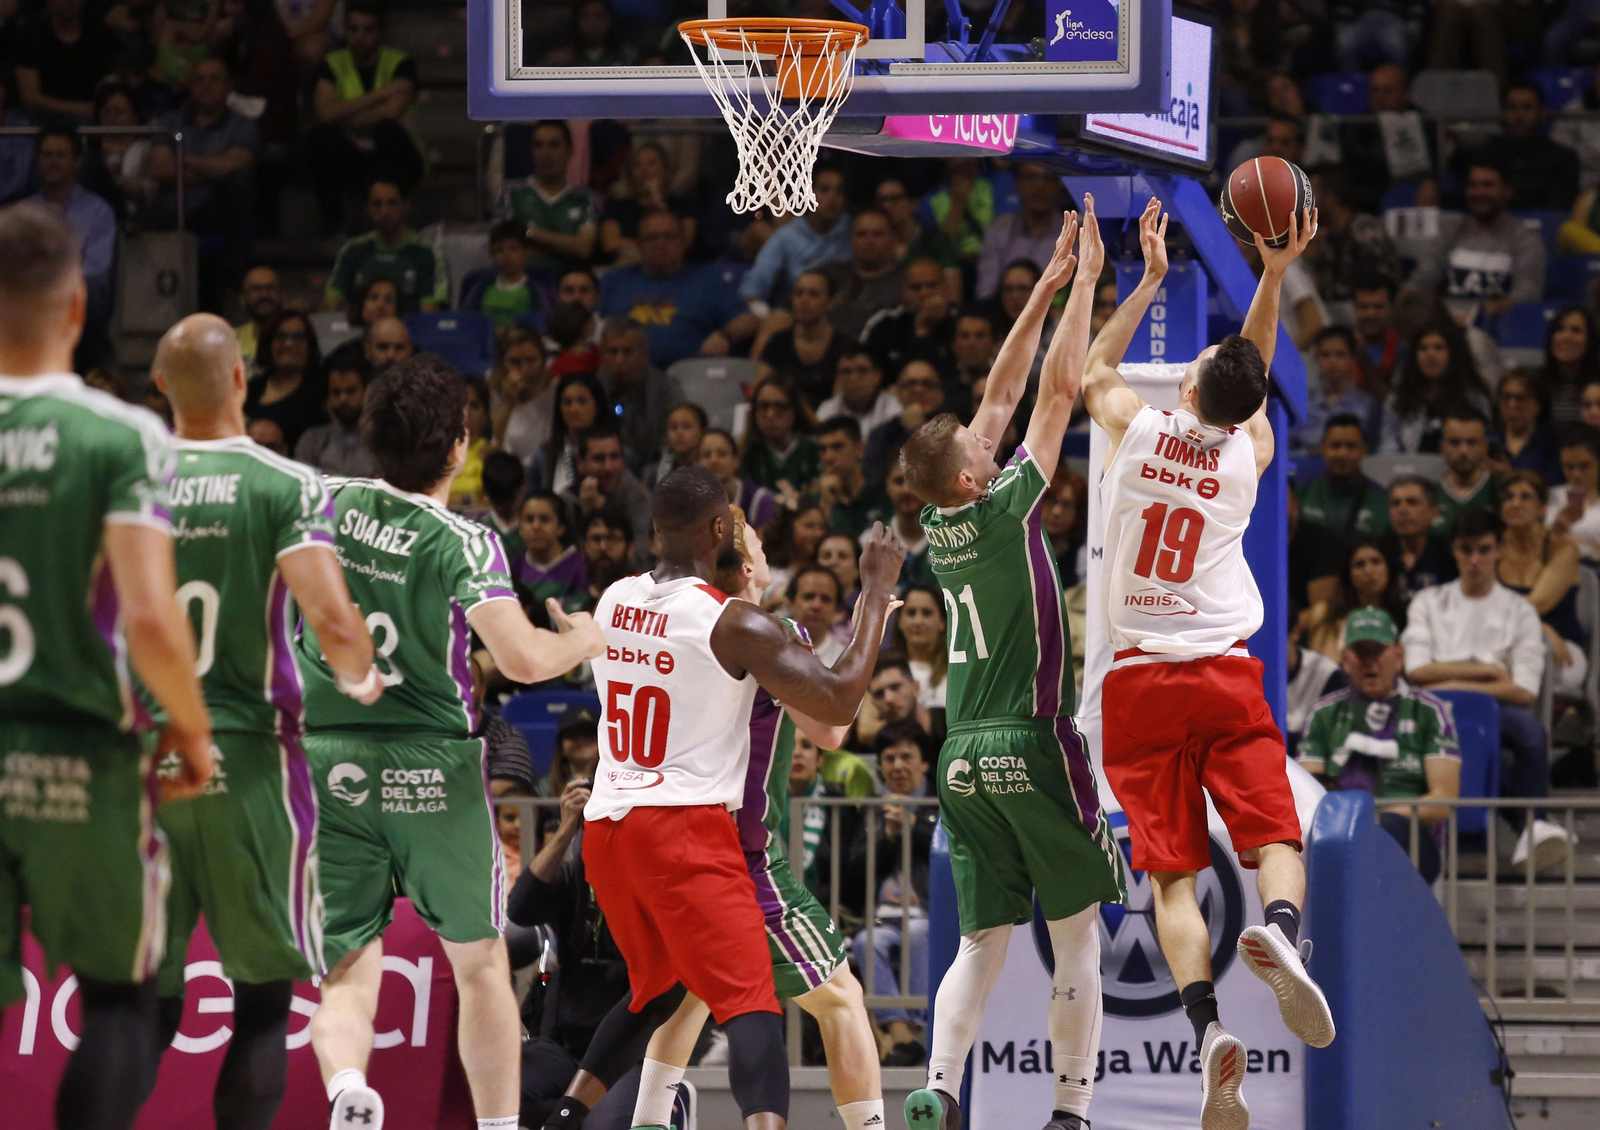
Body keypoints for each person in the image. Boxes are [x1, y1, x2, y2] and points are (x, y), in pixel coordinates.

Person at [300, 354, 607, 1130]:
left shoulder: (321, 502)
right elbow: (523, 661)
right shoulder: (461, 540)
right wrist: (588, 636)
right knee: (478, 967)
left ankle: (347, 1090)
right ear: (459, 448)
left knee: (346, 963)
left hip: (326, 755)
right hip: (430, 765)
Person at [1083, 199, 1335, 1129]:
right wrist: (1273, 271)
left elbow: (1098, 368)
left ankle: (1206, 1031)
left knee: (1172, 882)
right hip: (1222, 673)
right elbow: (1252, 379)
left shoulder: (1140, 433)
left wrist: (1143, 277)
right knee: (1276, 839)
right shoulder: (1245, 458)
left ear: (1185, 391)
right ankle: (1282, 931)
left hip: (1138, 683)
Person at [579, 468, 906, 1130]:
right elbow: (834, 725)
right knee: (838, 995)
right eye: (741, 537)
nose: (745, 546)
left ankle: (631, 1121)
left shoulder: (642, 605)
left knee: (683, 995)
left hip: (636, 823)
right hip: (734, 851)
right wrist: (873, 606)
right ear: (733, 554)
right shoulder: (756, 631)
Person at [899, 201, 1124, 1130]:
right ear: (970, 478)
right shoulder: (1000, 510)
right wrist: (1086, 290)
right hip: (1031, 738)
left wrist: (1039, 292)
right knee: (1078, 939)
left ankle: (940, 1088)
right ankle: (1070, 1112)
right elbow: (1057, 395)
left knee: (981, 942)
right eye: (983, 454)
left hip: (961, 755)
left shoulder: (939, 524)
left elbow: (999, 398)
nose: (996, 445)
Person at [0, 202, 211, 1130]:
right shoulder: (121, 436)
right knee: (120, 1000)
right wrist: (190, 731)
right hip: (81, 751)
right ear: (78, 309)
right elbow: (153, 621)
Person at [149, 313, 381, 1130]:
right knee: (261, 999)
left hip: (148, 760)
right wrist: (363, 678)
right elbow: (335, 621)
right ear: (242, 382)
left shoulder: (130, 483)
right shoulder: (287, 483)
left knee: (142, 999)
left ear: (160, 389)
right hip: (247, 761)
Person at [1402, 509, 1574, 870]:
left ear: (1499, 551)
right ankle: (1529, 826)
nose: (1475, 559)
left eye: (1483, 549)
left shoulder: (1519, 610)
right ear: (1455, 551)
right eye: (1467, 550)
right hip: (1432, 707)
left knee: (1528, 730)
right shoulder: (1428, 601)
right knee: (1466, 731)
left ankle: (1534, 822)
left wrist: (1450, 679)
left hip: (1493, 709)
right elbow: (1416, 670)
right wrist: (1489, 673)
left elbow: (1525, 691)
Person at [1298, 610, 1460, 884]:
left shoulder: (1430, 711)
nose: (1369, 662)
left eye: (1378, 651)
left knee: (1389, 828)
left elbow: (1443, 801)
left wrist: (1371, 821)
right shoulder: (1322, 714)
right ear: (1346, 660)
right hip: (1340, 836)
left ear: (1398, 656)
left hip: (1413, 840)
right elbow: (1307, 791)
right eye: (1361, 653)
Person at [849, 720, 938, 1065]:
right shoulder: (871, 808)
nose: (898, 766)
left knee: (918, 933)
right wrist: (886, 834)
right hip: (881, 916)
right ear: (879, 766)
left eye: (906, 756)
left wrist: (914, 827)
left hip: (928, 913)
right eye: (889, 759)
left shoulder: (940, 804)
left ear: (924, 762)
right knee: (866, 941)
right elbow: (853, 871)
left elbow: (950, 856)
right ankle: (901, 1032)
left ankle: (913, 1031)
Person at [304, 0, 424, 233]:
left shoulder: (401, 64)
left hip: (393, 154)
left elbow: (390, 113)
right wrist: (382, 93)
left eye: (368, 30)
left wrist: (343, 114)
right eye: (354, 29)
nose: (360, 37)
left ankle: (391, 223)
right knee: (320, 139)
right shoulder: (332, 63)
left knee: (388, 131)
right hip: (351, 155)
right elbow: (325, 113)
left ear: (380, 32)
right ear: (345, 31)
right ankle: (334, 226)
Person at [148, 57, 258, 303]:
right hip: (174, 208)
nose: (206, 86)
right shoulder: (170, 121)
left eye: (214, 79)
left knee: (239, 181)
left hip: (218, 212)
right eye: (199, 79)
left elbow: (234, 167)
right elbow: (159, 167)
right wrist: (213, 168)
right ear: (190, 85)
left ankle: (234, 280)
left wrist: (183, 159)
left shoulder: (242, 125)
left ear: (228, 86)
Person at [598, 209, 757, 369]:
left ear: (683, 242)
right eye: (651, 238)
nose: (660, 244)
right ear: (638, 244)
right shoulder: (614, 281)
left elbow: (747, 320)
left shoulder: (708, 281)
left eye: (669, 237)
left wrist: (725, 336)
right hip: (620, 373)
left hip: (691, 377)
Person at [1405, 158, 1546, 321]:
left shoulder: (1525, 237)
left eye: (1488, 185)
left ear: (1507, 192)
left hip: (1495, 327)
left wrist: (1475, 315)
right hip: (1443, 327)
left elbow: (1528, 292)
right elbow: (1424, 276)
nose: (1478, 193)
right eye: (1473, 185)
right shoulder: (1450, 228)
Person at [1498, 469, 1589, 699]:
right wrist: (1540, 628)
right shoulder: (1491, 550)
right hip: (1505, 640)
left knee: (1549, 668)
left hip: (1561, 647)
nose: (1515, 504)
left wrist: (1542, 630)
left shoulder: (1562, 549)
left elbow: (1537, 605)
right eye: (1508, 497)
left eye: (1525, 497)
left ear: (1542, 508)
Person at [28, 128, 115, 363]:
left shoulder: (98, 211)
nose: (53, 161)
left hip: (76, 302)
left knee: (90, 293)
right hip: (31, 300)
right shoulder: (25, 212)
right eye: (47, 155)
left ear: (77, 161)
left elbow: (96, 270)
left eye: (60, 155)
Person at [325, 179, 447, 315]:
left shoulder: (427, 253)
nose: (385, 211)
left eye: (392, 203)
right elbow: (331, 306)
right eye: (377, 204)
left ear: (405, 206)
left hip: (410, 333)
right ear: (368, 209)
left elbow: (429, 316)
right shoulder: (352, 250)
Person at [496, 121, 598, 279]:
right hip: (523, 282)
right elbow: (506, 250)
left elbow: (583, 248)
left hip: (567, 286)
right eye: (539, 145)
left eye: (554, 145)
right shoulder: (511, 193)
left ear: (569, 151)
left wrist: (529, 233)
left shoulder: (584, 199)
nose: (545, 153)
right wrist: (566, 245)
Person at [739, 167, 852, 307]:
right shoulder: (786, 236)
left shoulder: (856, 232)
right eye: (824, 189)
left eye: (839, 191)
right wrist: (762, 313)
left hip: (846, 315)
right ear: (808, 194)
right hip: (795, 315)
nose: (832, 197)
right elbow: (754, 287)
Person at [1292, 326, 1400, 458]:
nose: (1333, 361)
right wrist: (1308, 455)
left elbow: (1385, 451)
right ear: (1316, 358)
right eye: (1325, 355)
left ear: (1353, 358)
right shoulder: (1299, 404)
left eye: (1340, 354)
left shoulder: (1371, 406)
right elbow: (1284, 449)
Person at [1387, 319, 1493, 453]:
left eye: (1439, 347)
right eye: (1423, 348)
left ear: (1453, 353)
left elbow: (1483, 445)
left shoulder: (1473, 397)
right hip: (1409, 469)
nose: (1430, 355)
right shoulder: (1400, 394)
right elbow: (1388, 442)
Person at [1300, 535, 1412, 660]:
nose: (1368, 571)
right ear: (1348, 574)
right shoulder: (1325, 613)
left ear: (1389, 568)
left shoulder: (1408, 613)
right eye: (1359, 565)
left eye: (1376, 562)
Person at [1302, 169, 1402, 305]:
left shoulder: (1366, 231)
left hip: (1371, 311)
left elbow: (1382, 282)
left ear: (1330, 197)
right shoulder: (1327, 239)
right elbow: (1324, 289)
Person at [598, 316, 685, 466]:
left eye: (627, 352)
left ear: (644, 354)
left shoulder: (666, 388)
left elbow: (673, 446)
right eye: (612, 352)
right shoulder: (595, 387)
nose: (619, 360)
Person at [14, 0, 118, 122]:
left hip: (93, 121)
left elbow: (113, 87)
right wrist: (83, 109)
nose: (69, 2)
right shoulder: (30, 35)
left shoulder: (100, 36)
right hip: (42, 120)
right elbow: (30, 99)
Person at [563, 425, 653, 564]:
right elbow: (563, 561)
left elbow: (641, 557)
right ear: (581, 464)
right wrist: (587, 515)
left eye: (614, 457)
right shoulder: (567, 500)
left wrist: (602, 509)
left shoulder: (639, 497)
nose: (608, 466)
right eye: (599, 458)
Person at [974, 163, 1065, 299]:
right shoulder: (997, 231)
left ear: (1059, 186)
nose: (1039, 186)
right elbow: (986, 293)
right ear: (1018, 185)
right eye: (1030, 177)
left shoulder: (1075, 234)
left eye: (1048, 178)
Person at [599, 142, 696, 266]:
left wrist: (658, 201)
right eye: (637, 165)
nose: (644, 170)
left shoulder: (684, 205)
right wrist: (653, 249)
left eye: (651, 163)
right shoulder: (617, 206)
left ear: (666, 170)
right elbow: (610, 242)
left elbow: (683, 242)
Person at [818, 210, 908, 343]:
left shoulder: (907, 282)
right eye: (861, 235)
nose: (869, 241)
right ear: (851, 239)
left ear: (894, 239)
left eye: (877, 235)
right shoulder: (826, 275)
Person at [1296, 414, 1391, 540]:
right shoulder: (1302, 494)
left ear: (1364, 450)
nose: (1342, 454)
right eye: (1335, 445)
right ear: (1322, 448)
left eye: (1351, 446)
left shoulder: (1383, 500)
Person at [757, 269, 843, 407]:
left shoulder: (844, 347)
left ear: (830, 302)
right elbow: (760, 392)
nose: (804, 300)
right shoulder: (777, 343)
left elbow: (840, 404)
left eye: (813, 294)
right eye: (799, 293)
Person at [861, 259, 957, 381]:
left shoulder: (961, 321)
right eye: (915, 287)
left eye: (932, 285)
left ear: (945, 288)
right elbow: (866, 375)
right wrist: (922, 328)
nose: (924, 293)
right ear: (904, 292)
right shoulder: (883, 324)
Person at [247, 309, 327, 453]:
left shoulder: (323, 389)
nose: (289, 344)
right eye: (280, 337)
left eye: (298, 337)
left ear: (310, 344)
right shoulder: (251, 389)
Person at [294, 342, 377, 476]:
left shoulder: (384, 439)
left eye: (351, 391)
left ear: (367, 391)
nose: (343, 399)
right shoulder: (312, 440)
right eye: (336, 392)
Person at [741, 373, 821, 501]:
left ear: (795, 410)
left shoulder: (815, 449)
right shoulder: (746, 454)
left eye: (780, 406)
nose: (770, 414)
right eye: (763, 406)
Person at [1380, 475, 1459, 602]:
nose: (1402, 510)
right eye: (1396, 503)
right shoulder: (1379, 553)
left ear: (1434, 512)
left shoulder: (1450, 555)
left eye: (1412, 502)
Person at [864, 361, 947, 481]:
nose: (918, 389)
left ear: (941, 394)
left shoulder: (956, 430)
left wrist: (916, 430)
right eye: (910, 384)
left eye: (928, 384)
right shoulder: (881, 434)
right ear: (897, 392)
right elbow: (873, 478)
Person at [513, 491, 589, 616]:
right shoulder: (512, 567)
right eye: (529, 519)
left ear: (561, 527)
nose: (536, 526)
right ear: (520, 526)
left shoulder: (581, 565)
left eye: (544, 519)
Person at [817, 415, 890, 541]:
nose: (828, 457)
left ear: (860, 449)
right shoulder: (816, 499)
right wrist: (827, 505)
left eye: (837, 447)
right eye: (823, 449)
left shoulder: (883, 492)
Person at [536, 372, 609, 497]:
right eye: (567, 402)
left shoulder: (617, 453)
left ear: (597, 405)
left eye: (582, 401)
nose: (574, 409)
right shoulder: (544, 455)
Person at [460, 220, 539, 328]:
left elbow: (539, 323)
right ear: (491, 254)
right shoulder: (482, 287)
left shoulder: (535, 289)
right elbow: (467, 318)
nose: (507, 256)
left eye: (513, 249)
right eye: (499, 250)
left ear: (527, 252)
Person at [697, 426, 776, 530]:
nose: (714, 460)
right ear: (697, 464)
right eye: (706, 455)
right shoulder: (691, 504)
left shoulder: (759, 500)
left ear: (736, 461)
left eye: (722, 454)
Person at [1492, 369, 1562, 485]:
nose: (1512, 405)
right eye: (1506, 397)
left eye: (1520, 398)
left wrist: (1507, 473)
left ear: (1539, 404)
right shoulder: (1489, 440)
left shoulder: (1552, 444)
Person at [1435, 409, 1499, 536]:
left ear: (1485, 447)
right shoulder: (1428, 495)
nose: (1463, 451)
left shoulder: (1502, 491)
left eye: (1471, 442)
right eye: (1455, 442)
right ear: (1442, 447)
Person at [817, 347, 902, 438]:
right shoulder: (826, 410)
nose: (853, 378)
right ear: (837, 378)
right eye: (846, 372)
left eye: (862, 370)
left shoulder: (894, 409)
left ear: (877, 376)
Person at [1538, 306, 1600, 428]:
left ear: (1590, 340)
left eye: (1576, 330)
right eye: (1559, 329)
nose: (1566, 337)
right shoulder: (1536, 383)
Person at [1547, 425, 1600, 561]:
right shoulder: (1550, 496)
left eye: (1584, 466)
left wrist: (1585, 548)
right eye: (1569, 467)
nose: (1576, 474)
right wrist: (1557, 529)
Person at [893, 584, 949, 709]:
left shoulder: (958, 672)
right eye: (911, 613)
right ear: (899, 622)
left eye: (927, 613)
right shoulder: (883, 669)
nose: (918, 621)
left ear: (942, 622)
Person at [1351, 277, 1405, 398]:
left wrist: (1364, 363)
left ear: (1392, 308)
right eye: (1363, 307)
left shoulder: (1404, 347)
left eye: (1378, 307)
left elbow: (1395, 403)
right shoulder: (1341, 344)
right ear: (1354, 309)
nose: (1371, 314)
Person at [471, 450, 530, 561]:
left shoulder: (535, 526)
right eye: (497, 500)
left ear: (524, 486)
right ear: (485, 492)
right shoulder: (476, 529)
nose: (503, 507)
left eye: (509, 499)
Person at [236, 265, 283, 373]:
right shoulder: (231, 340)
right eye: (256, 289)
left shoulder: (294, 340)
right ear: (242, 298)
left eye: (270, 288)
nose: (264, 294)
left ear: (281, 295)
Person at [648, 402, 705, 490]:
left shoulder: (712, 468)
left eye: (687, 427)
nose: (679, 433)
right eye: (673, 427)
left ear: (702, 430)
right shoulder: (653, 474)